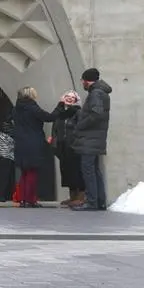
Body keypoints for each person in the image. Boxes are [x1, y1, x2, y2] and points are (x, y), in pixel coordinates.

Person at [70, 68, 112, 211]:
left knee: (88, 170)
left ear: (87, 81)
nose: (82, 83)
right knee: (94, 170)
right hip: (94, 139)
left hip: (90, 139)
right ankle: (99, 201)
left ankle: (92, 202)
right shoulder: (100, 93)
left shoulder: (96, 94)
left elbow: (96, 114)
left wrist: (80, 125)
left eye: (82, 80)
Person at [11, 86, 57, 208]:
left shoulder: (16, 109)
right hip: (33, 142)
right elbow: (49, 117)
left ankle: (22, 199)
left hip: (20, 142)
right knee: (32, 172)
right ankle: (30, 200)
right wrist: (61, 107)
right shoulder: (32, 108)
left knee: (24, 172)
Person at [53, 91, 84, 207]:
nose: (70, 99)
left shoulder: (78, 112)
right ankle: (72, 196)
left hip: (75, 145)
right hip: (63, 146)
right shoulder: (60, 113)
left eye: (73, 97)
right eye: (67, 96)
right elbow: (55, 128)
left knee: (77, 171)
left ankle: (81, 197)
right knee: (66, 171)